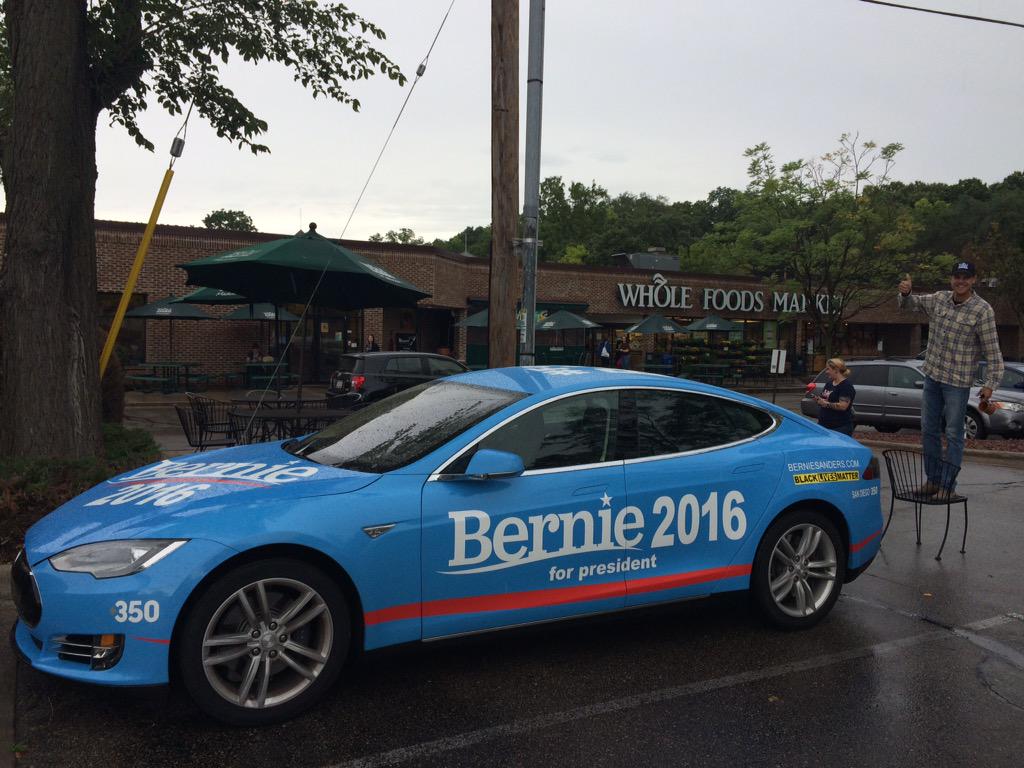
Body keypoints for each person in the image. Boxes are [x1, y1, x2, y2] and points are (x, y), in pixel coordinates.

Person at [898, 260, 1004, 499]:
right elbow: (911, 304)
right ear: (951, 279)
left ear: (973, 280)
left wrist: (990, 385)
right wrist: (905, 293)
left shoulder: (982, 310)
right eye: (957, 277)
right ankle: (933, 481)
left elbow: (993, 352)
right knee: (928, 430)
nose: (961, 281)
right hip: (933, 376)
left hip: (957, 382)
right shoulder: (940, 299)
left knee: (954, 433)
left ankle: (947, 486)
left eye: (966, 277)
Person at [812, 358, 856, 435]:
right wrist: (819, 400)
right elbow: (825, 399)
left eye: (828, 369)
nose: (826, 372)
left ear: (836, 370)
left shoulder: (846, 386)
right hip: (824, 425)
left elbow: (843, 406)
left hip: (839, 428)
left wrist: (826, 404)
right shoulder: (829, 384)